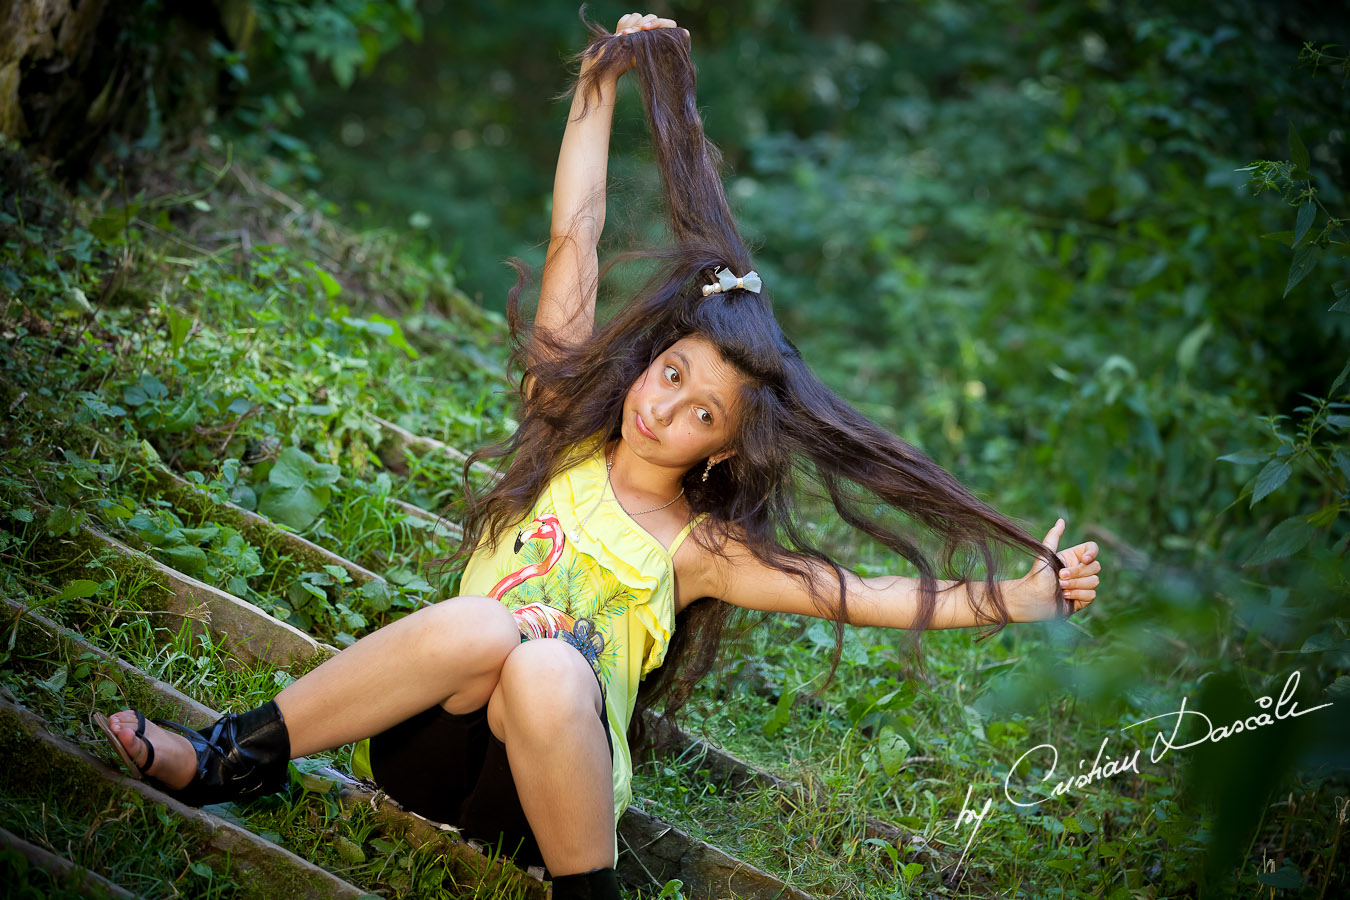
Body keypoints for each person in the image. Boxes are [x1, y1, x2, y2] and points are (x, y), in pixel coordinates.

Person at [97, 11, 1102, 900]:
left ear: (722, 450)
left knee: (541, 668)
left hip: (545, 798)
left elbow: (857, 592)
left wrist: (1015, 599)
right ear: (648, 361)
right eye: (671, 376)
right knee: (481, 628)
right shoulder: (564, 427)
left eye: (703, 414)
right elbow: (573, 235)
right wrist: (597, 88)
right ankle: (234, 754)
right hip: (429, 745)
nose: (668, 410)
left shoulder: (699, 547)